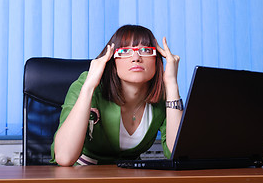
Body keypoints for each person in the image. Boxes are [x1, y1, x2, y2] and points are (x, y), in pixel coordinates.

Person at [51, 25, 182, 166]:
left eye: (145, 50)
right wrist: (89, 87)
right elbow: (64, 157)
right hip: (81, 173)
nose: (136, 58)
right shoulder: (88, 84)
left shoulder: (164, 95)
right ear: (112, 59)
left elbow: (177, 153)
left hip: (129, 175)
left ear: (157, 59)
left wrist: (172, 84)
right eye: (125, 51)